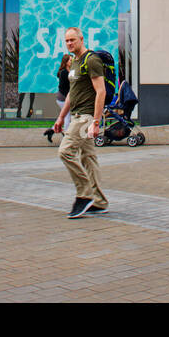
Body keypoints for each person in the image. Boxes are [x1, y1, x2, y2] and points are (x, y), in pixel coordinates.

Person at [53, 26, 108, 219]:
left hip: (85, 118)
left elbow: (101, 91)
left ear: (81, 39)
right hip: (76, 114)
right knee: (88, 158)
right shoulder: (75, 62)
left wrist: (95, 121)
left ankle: (85, 195)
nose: (69, 43)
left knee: (65, 151)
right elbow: (71, 93)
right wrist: (61, 117)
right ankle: (99, 202)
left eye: (72, 40)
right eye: (67, 40)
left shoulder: (91, 60)